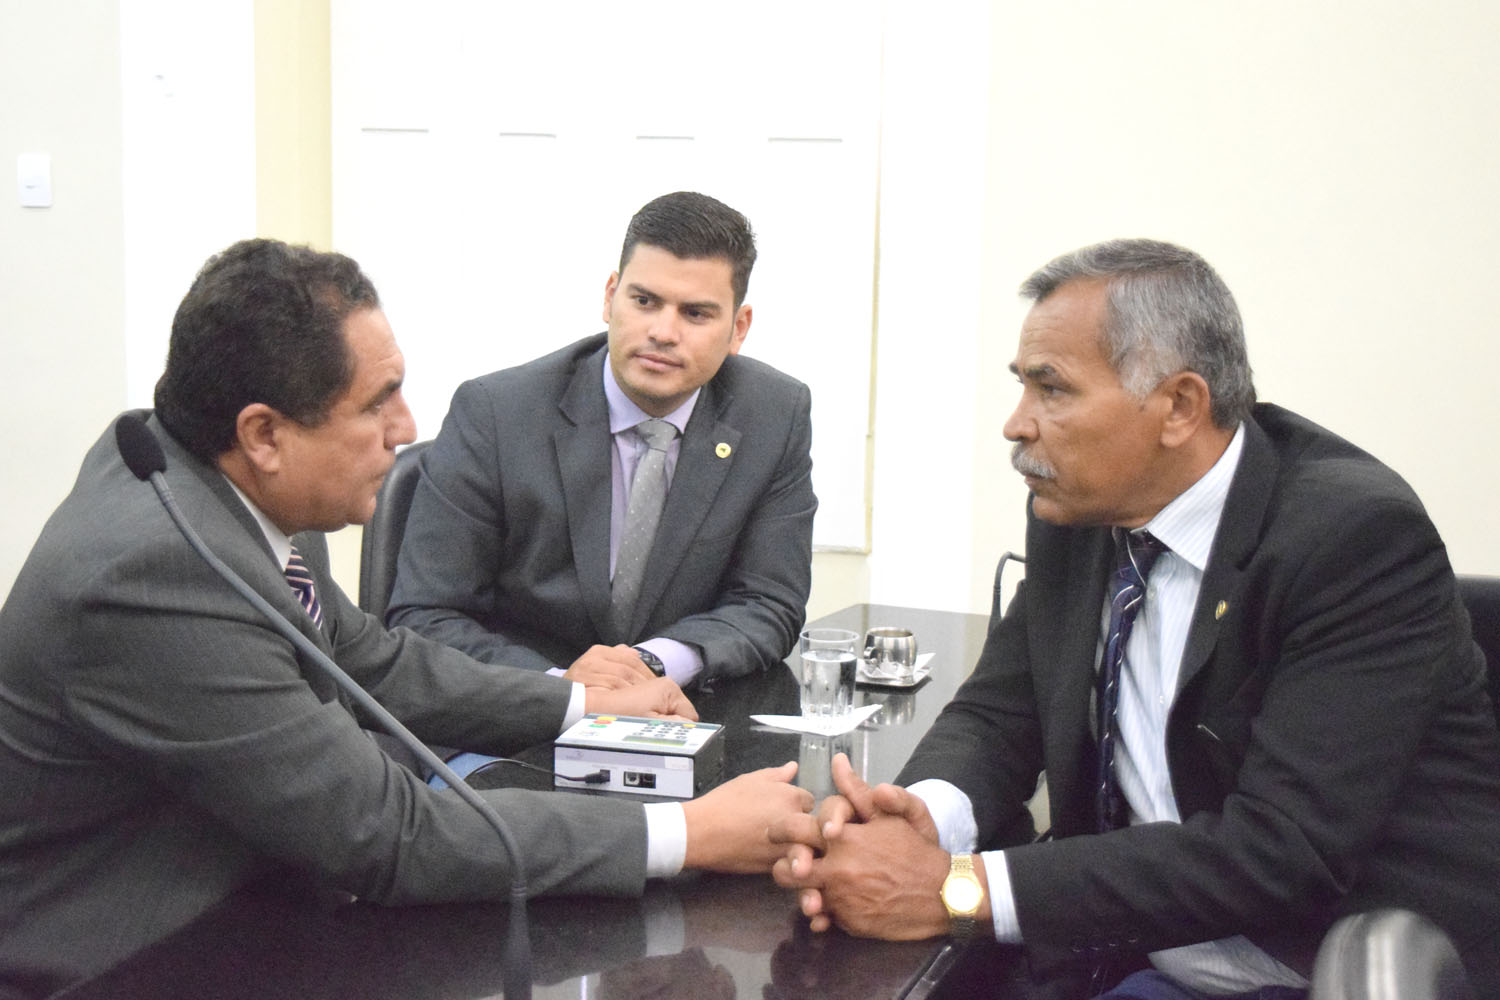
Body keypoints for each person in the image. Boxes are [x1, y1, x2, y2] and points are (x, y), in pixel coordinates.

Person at [0, 238, 812, 998]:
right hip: (128, 962)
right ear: (265, 434)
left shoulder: (231, 489)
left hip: (265, 899)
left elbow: (370, 660)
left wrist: (579, 701)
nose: (408, 430)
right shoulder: (160, 576)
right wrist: (687, 835)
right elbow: (390, 835)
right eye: (377, 403)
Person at [769, 239, 1500, 998]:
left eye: (1052, 390)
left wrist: (958, 889)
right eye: (1022, 387)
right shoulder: (1077, 511)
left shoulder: (1350, 539)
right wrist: (910, 823)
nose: (1017, 425)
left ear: (1179, 406)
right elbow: (1000, 712)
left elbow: (1285, 849)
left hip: (1315, 965)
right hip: (1131, 944)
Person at [386, 191, 816, 690]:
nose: (663, 331)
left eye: (695, 314)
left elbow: (770, 602)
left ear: (737, 329)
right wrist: (564, 687)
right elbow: (425, 615)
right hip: (515, 717)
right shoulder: (497, 413)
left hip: (676, 715)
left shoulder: (774, 415)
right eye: (644, 301)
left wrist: (653, 664)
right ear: (610, 297)